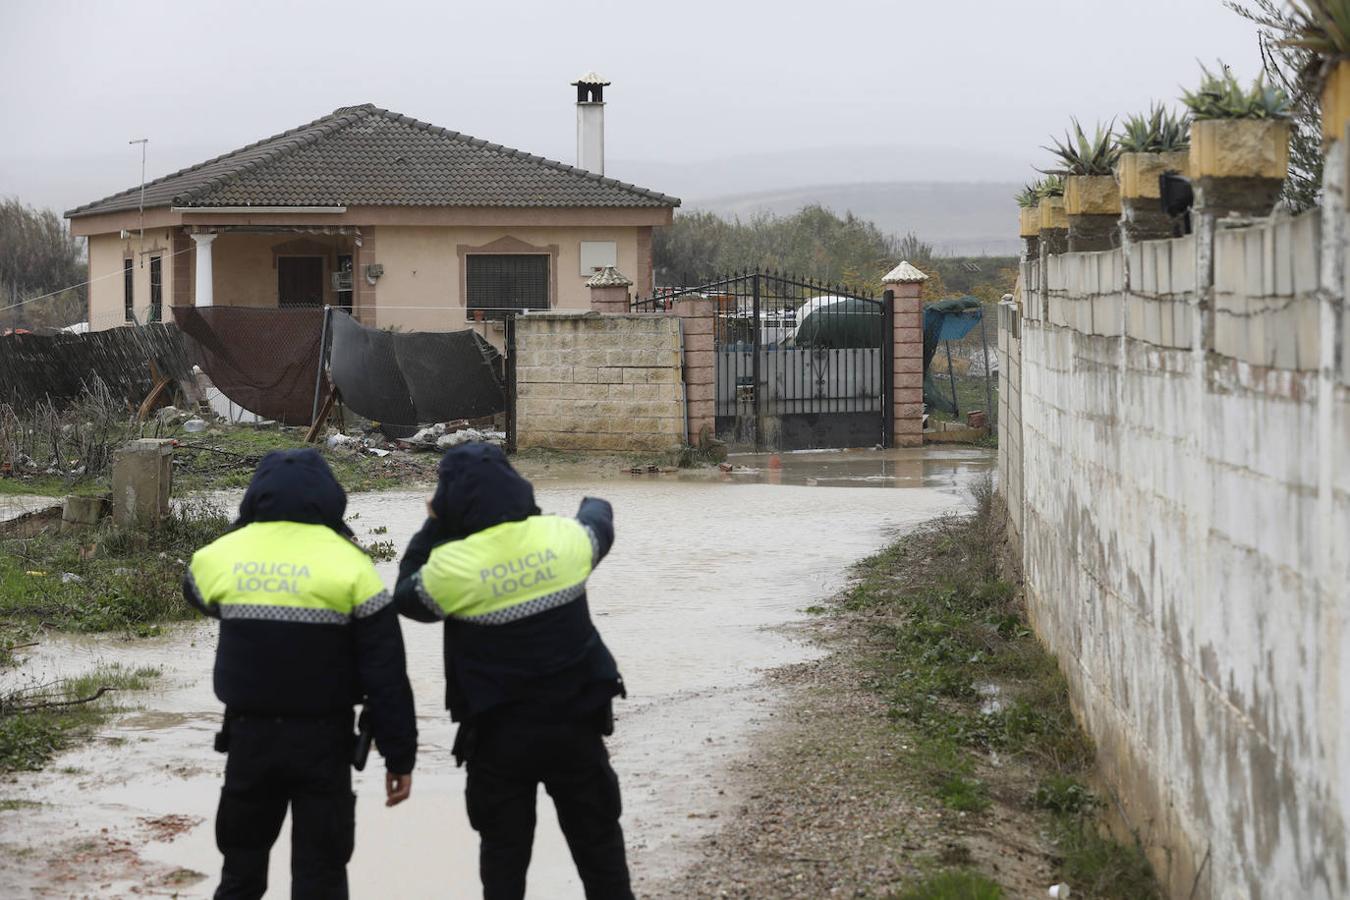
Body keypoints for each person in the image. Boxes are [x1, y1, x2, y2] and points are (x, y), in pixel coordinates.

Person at [393, 443, 632, 900]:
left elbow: (407, 591)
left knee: (503, 860)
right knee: (600, 851)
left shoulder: (450, 569)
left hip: (497, 739)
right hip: (576, 729)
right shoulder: (562, 539)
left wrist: (437, 522)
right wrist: (589, 503)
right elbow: (600, 521)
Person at [183, 449, 417, 900]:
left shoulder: (222, 556)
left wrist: (244, 537)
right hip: (324, 746)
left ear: (254, 498)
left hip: (248, 742)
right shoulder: (354, 566)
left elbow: (199, 595)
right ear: (330, 499)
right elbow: (386, 675)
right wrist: (400, 757)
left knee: (240, 876)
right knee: (322, 879)